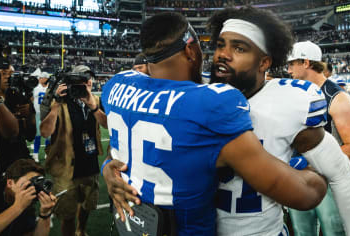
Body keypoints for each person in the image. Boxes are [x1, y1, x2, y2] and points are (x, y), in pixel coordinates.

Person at [101, 12, 327, 236]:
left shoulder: (117, 85)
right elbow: (304, 195)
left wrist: (107, 170)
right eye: (219, 45)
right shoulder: (212, 102)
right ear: (191, 50)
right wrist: (320, 173)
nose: (221, 55)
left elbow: (121, 150)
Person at [207, 8, 350, 236]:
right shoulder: (197, 97)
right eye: (220, 45)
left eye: (239, 48)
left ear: (264, 63)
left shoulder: (290, 102)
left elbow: (342, 174)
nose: (223, 54)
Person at [286, 41, 350, 236]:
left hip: (330, 180)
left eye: (291, 64)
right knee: (301, 231)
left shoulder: (338, 98)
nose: (288, 70)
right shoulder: (295, 93)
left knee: (333, 231)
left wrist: (308, 162)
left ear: (305, 62)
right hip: (299, 178)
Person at [40, 65, 107, 236]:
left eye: (88, 79)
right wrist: (55, 105)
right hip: (66, 167)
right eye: (82, 80)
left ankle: (81, 230)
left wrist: (93, 107)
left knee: (87, 205)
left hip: (90, 164)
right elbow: (45, 132)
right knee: (67, 214)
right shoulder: (60, 101)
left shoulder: (96, 101)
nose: (88, 83)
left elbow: (108, 125)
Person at [0, 158, 57, 236]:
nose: (33, 189)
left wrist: (45, 214)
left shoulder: (28, 203)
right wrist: (17, 207)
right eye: (29, 184)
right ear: (10, 183)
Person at [0, 65, 36, 177]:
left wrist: (30, 114)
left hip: (18, 159)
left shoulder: (18, 98)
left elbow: (30, 135)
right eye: (4, 73)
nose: (8, 77)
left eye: (12, 74)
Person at [32, 72, 49, 162]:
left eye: (41, 78)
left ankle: (47, 153)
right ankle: (35, 154)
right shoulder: (35, 87)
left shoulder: (50, 88)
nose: (40, 79)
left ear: (46, 78)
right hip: (38, 114)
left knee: (48, 136)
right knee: (38, 135)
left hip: (47, 114)